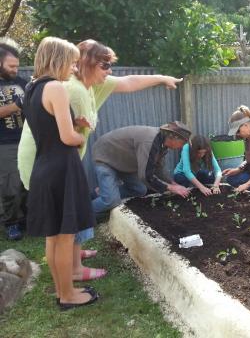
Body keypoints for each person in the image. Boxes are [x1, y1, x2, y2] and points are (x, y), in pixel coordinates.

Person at [18, 39, 183, 281]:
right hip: (49, 162)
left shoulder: (90, 84)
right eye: (105, 65)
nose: (109, 71)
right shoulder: (71, 90)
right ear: (86, 63)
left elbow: (129, 82)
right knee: (67, 219)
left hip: (59, 159)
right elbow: (64, 137)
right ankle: (72, 268)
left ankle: (74, 253)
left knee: (70, 216)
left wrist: (161, 78)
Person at [23, 36, 97, 310]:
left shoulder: (32, 88)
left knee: (53, 237)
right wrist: (81, 133)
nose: (75, 69)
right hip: (62, 169)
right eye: (73, 63)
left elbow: (48, 126)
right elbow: (67, 138)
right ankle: (68, 296)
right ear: (59, 60)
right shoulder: (56, 86)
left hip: (44, 167)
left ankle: (61, 289)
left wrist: (71, 123)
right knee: (65, 237)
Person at [91, 122, 192, 215]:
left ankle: (104, 192)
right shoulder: (150, 141)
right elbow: (146, 176)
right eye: (183, 143)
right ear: (174, 138)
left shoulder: (163, 145)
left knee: (139, 190)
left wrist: (172, 183)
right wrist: (171, 188)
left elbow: (158, 168)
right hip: (106, 156)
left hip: (124, 161)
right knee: (111, 201)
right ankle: (81, 215)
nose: (182, 147)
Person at [0, 38, 27, 240]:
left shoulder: (22, 83)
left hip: (26, 140)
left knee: (28, 182)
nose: (15, 69)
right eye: (11, 66)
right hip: (5, 143)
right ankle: (11, 223)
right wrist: (17, 105)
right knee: (10, 185)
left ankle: (27, 219)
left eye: (17, 65)